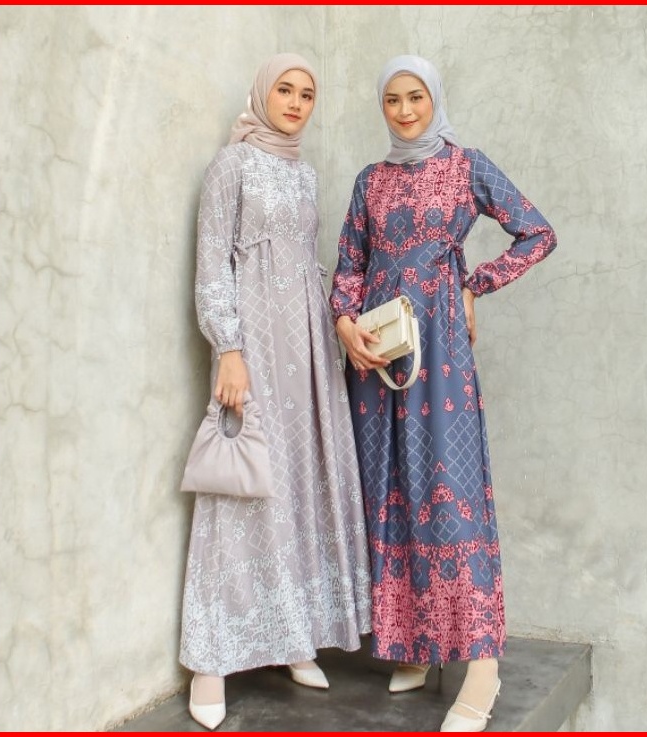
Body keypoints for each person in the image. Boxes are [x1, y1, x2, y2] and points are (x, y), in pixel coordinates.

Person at [329, 54, 557, 733]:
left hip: (439, 343)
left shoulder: (466, 166)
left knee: (446, 486)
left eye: (416, 98)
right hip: (376, 351)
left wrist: (472, 284)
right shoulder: (369, 181)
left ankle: (481, 664)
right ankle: (410, 643)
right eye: (392, 100)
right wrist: (344, 324)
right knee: (388, 487)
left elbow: (537, 232)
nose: (404, 111)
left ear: (434, 100)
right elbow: (349, 265)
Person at [179, 53, 371, 731]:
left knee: (297, 484)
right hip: (253, 346)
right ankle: (210, 659)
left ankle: (293, 636)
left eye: (306, 94)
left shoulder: (304, 172)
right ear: (263, 94)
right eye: (284, 90)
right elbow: (212, 264)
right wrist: (228, 348)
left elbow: (305, 263)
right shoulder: (231, 165)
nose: (294, 102)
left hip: (307, 350)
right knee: (240, 487)